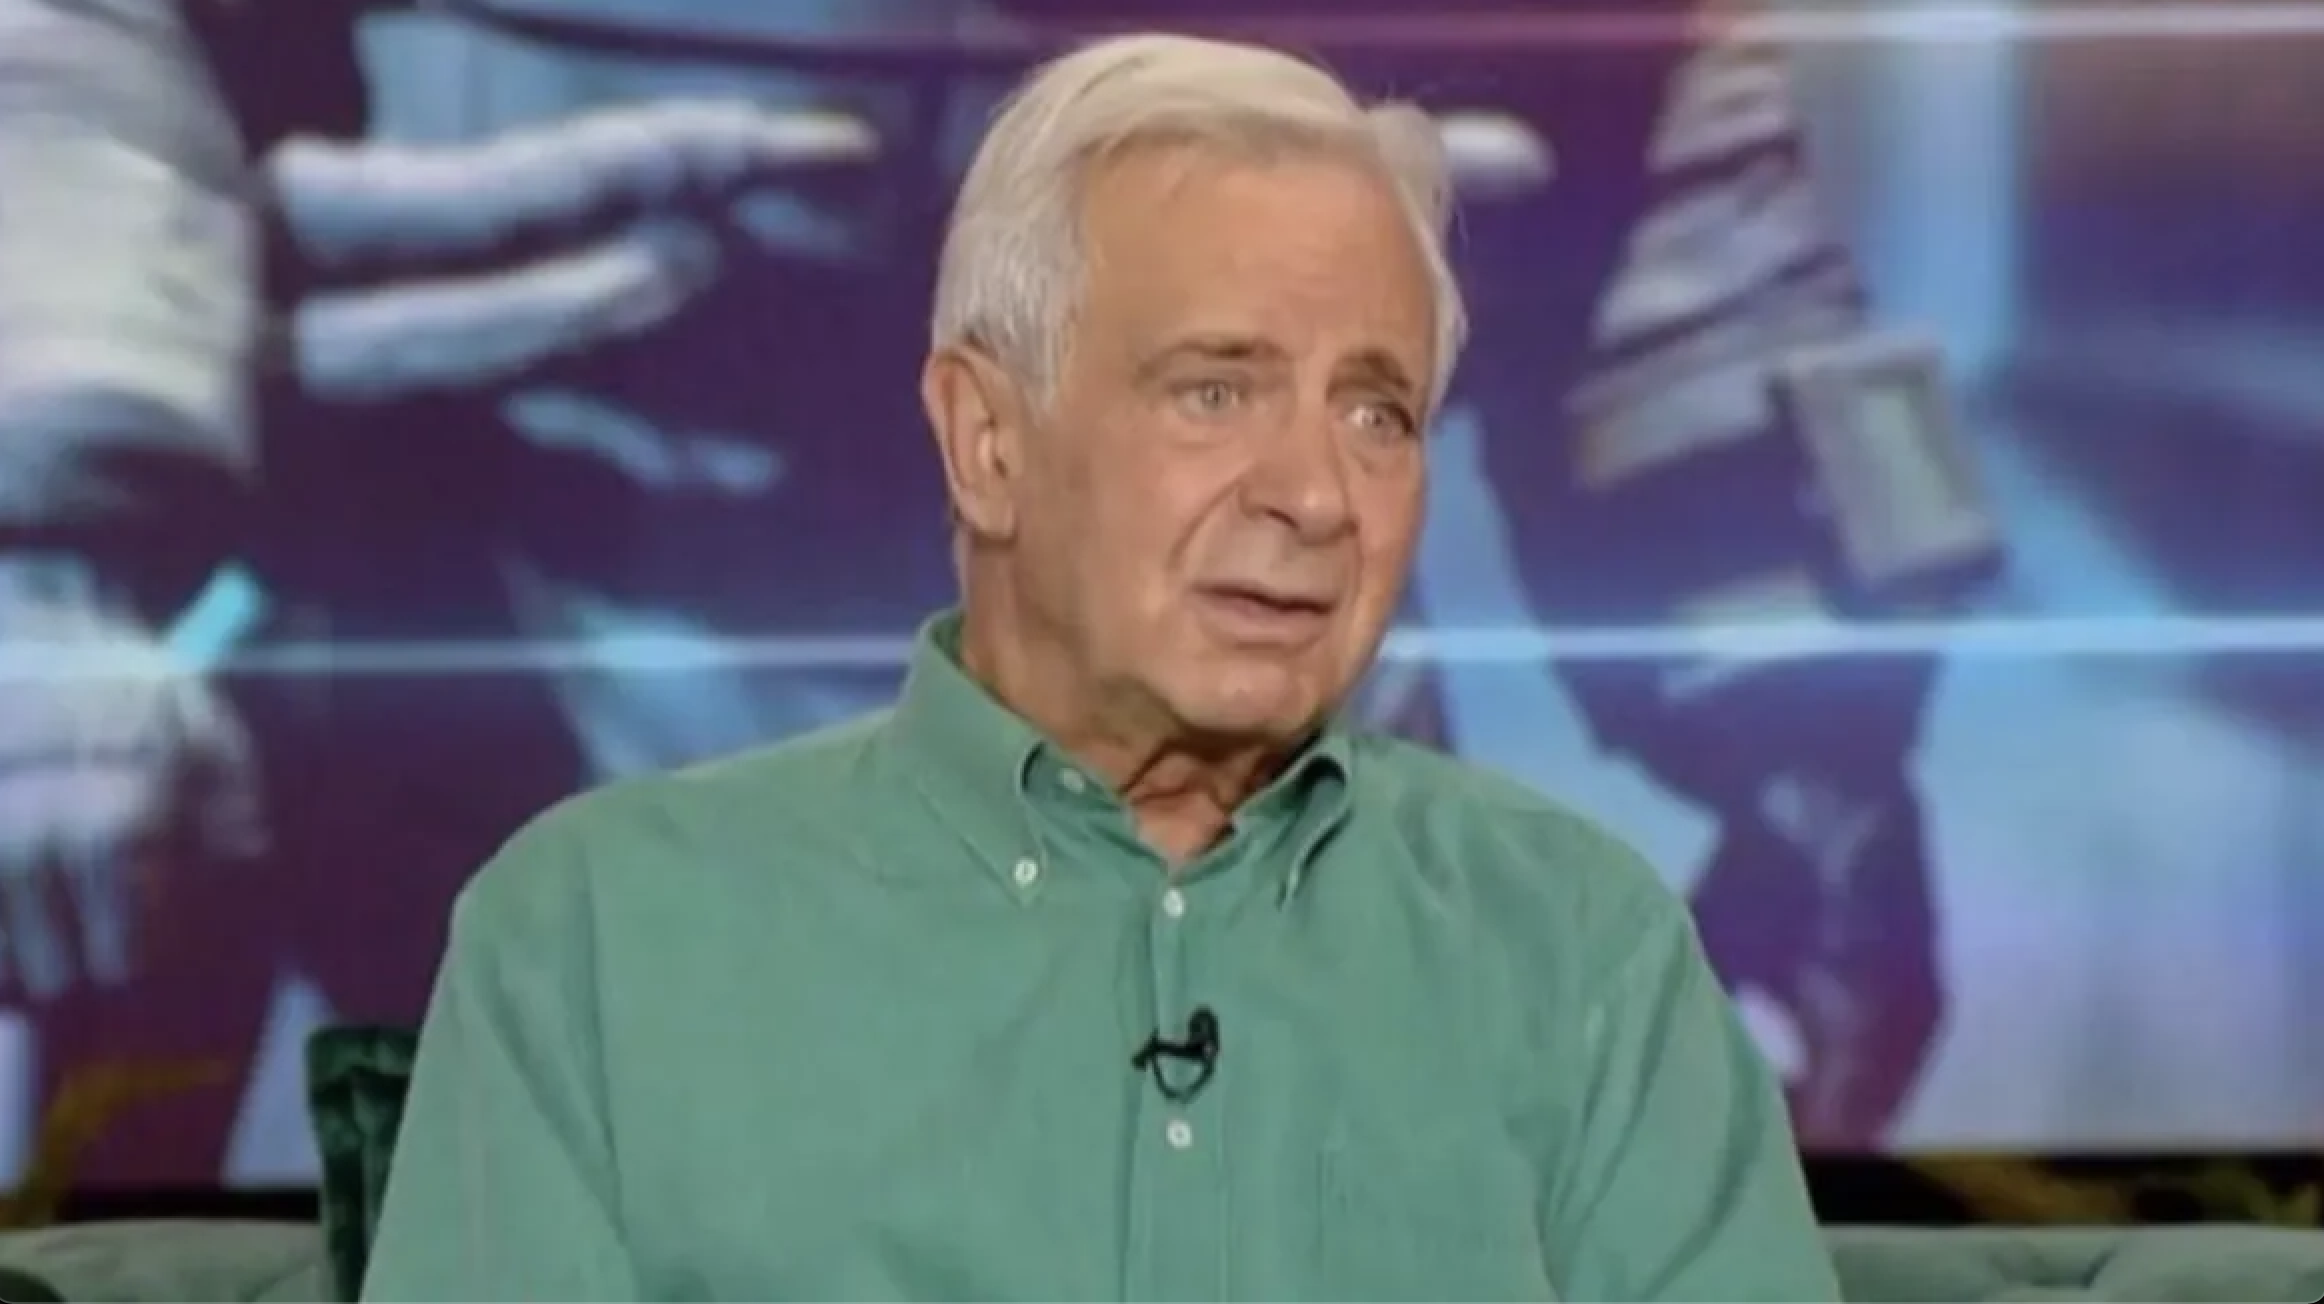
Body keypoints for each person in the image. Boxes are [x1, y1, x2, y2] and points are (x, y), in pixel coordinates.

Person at [363, 31, 1840, 1302]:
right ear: (987, 442)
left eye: (1377, 414)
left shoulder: (1584, 955)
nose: (1316, 496)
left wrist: (1824, 777)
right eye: (1215, 390)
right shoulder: (595, 943)